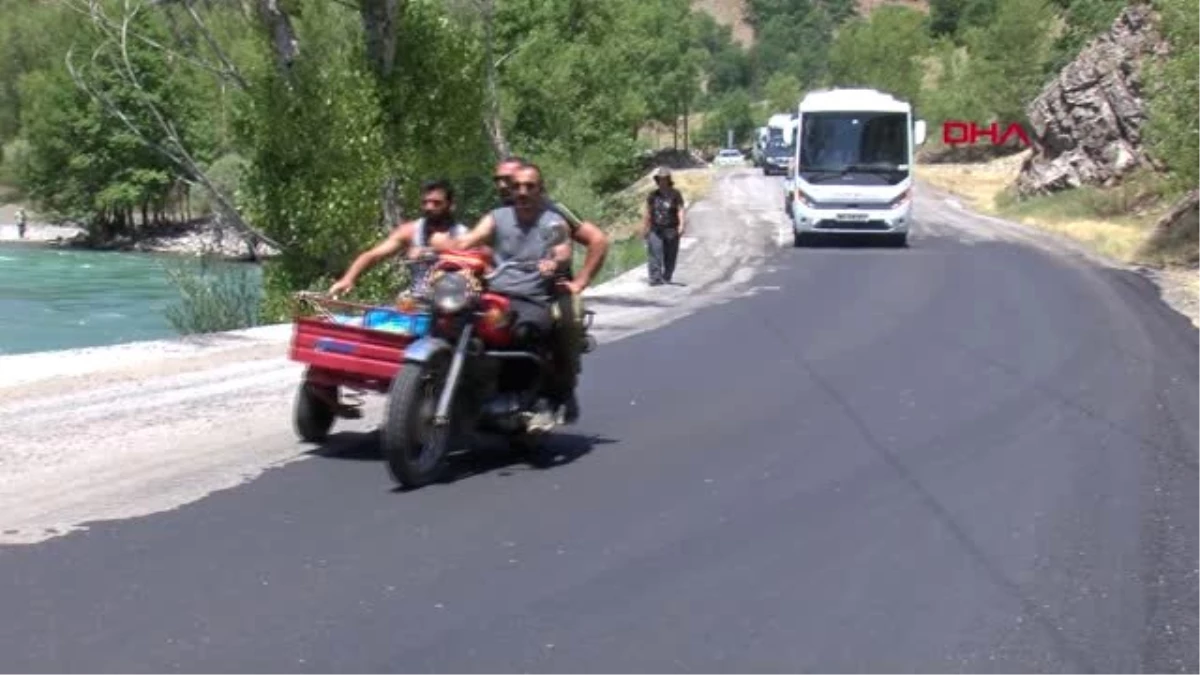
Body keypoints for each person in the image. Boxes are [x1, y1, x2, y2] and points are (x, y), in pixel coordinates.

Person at [453, 164, 606, 428]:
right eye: (504, 182)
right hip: (499, 291)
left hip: (547, 290)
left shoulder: (554, 214)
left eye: (527, 186)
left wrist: (574, 278)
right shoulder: (497, 213)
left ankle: (560, 392)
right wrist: (441, 250)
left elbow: (578, 244)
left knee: (558, 326)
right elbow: (469, 240)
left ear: (539, 188)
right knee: (456, 319)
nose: (516, 190)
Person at [328, 179, 467, 298]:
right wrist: (348, 278)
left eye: (436, 203)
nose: (429, 207)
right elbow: (372, 255)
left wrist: (429, 251)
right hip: (416, 302)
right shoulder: (410, 231)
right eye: (425, 202)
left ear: (451, 205)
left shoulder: (464, 235)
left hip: (450, 306)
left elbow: (475, 261)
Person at [641, 167, 686, 285]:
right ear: (658, 181)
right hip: (656, 228)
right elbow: (648, 212)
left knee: (670, 254)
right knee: (655, 252)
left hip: (671, 228)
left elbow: (680, 209)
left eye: (665, 179)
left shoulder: (675, 194)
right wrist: (645, 228)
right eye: (660, 179)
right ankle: (655, 278)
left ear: (668, 180)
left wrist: (681, 225)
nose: (662, 182)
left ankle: (667, 276)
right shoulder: (653, 195)